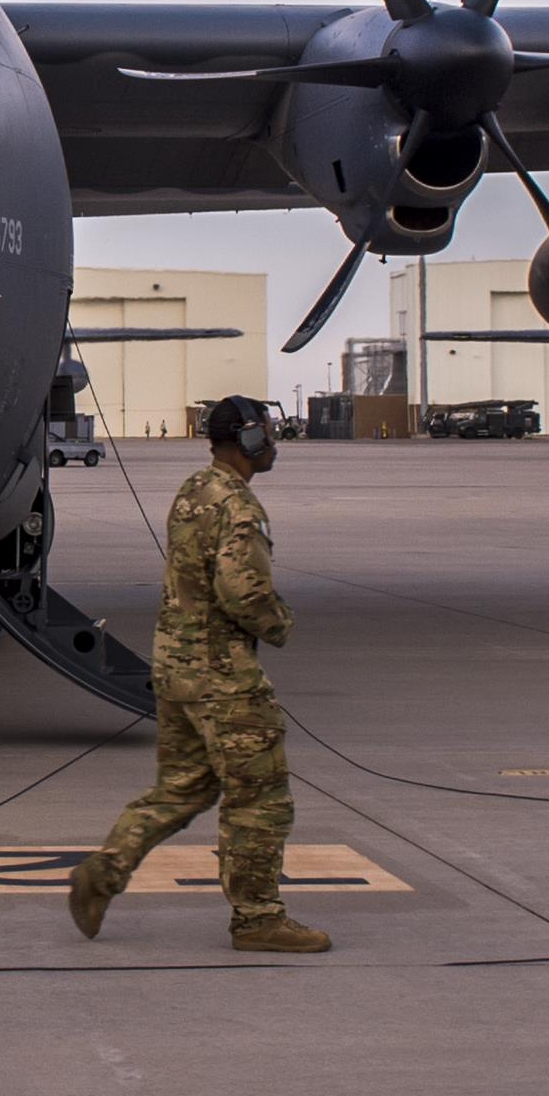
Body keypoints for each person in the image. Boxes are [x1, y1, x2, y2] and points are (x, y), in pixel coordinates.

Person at [67, 394, 330, 954]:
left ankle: (103, 872)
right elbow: (242, 592)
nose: (274, 443)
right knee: (260, 798)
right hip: (223, 680)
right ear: (251, 440)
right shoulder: (237, 506)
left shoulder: (193, 490)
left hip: (176, 671)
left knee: (180, 789)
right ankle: (258, 917)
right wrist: (277, 622)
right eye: (267, 433)